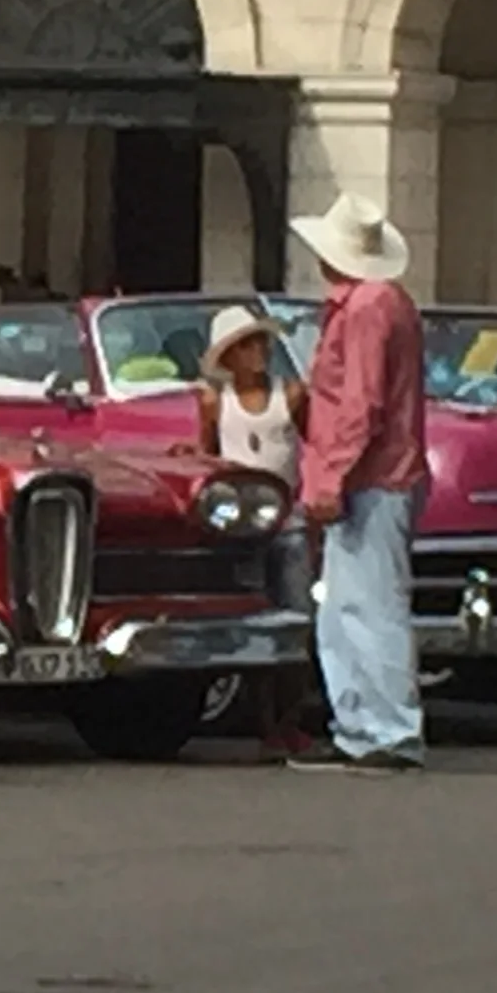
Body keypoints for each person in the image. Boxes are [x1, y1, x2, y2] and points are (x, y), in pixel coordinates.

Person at [285, 192, 429, 775]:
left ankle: (385, 729)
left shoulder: (367, 308)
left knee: (367, 607)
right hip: (382, 474)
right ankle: (363, 726)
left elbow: (359, 404)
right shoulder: (386, 302)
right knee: (352, 607)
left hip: (373, 477)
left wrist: (328, 477)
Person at [197, 304, 316, 759]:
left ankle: (289, 721)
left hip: (288, 522)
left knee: (295, 620)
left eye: (260, 342)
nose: (258, 352)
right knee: (253, 624)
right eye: (245, 345)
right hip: (242, 528)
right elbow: (208, 460)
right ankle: (263, 722)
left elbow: (314, 446)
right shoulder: (213, 403)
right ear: (229, 358)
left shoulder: (292, 395)